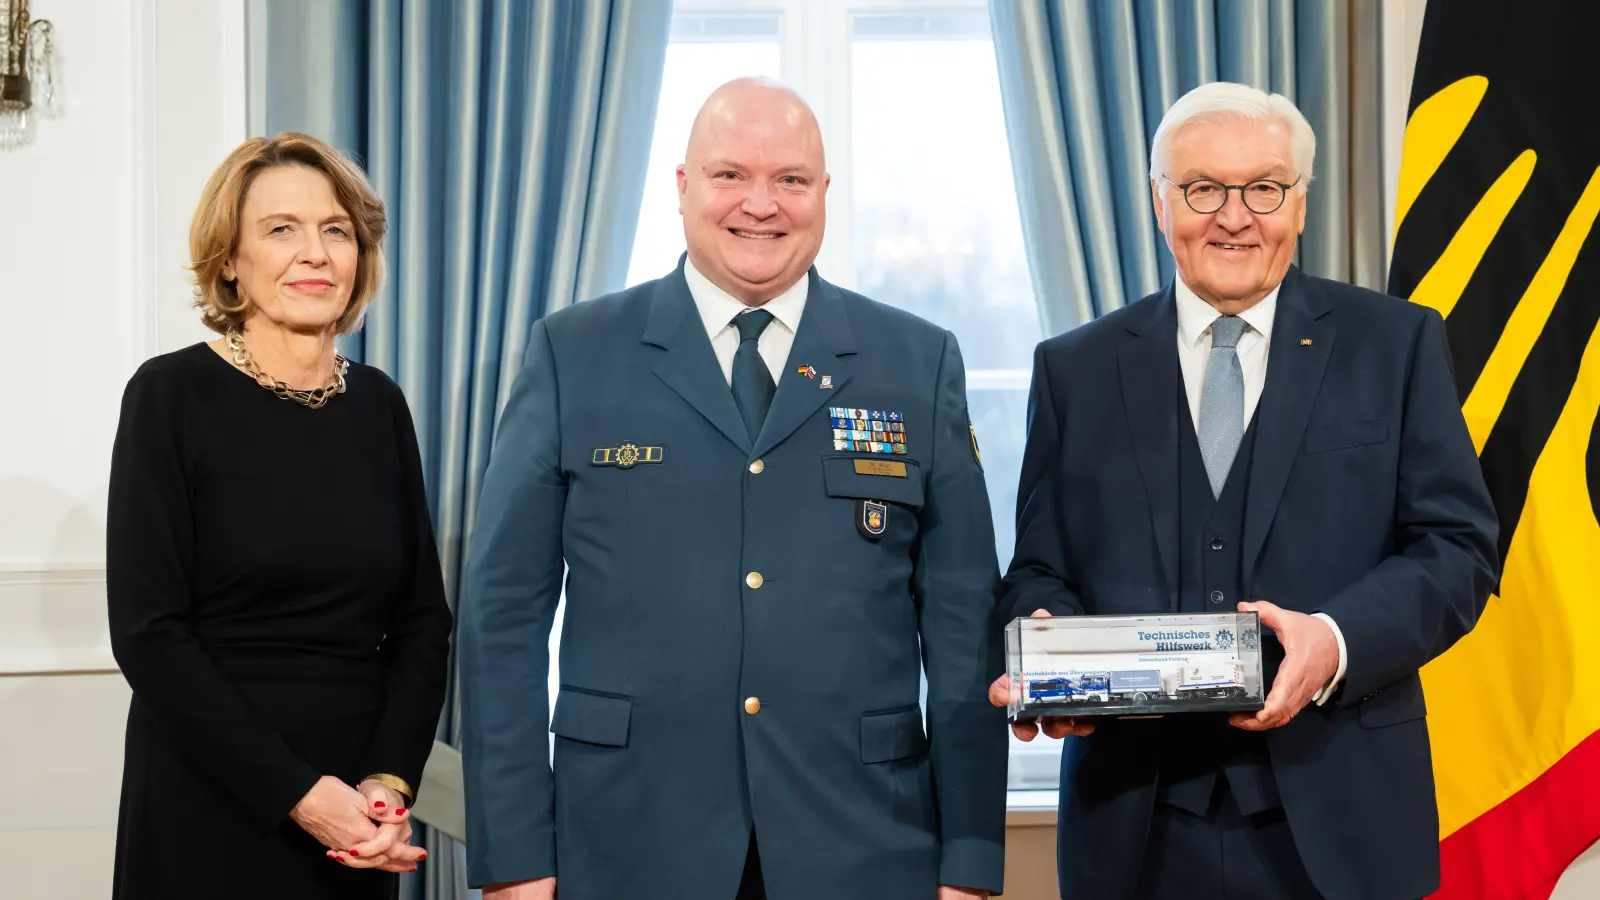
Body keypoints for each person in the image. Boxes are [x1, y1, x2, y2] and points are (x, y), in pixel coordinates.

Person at [457, 77, 1008, 900]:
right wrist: (514, 858)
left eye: (790, 179)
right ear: (682, 187)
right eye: (730, 176)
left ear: (824, 194)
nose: (762, 204)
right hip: (623, 842)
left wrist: (970, 859)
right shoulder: (575, 353)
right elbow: (502, 615)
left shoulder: (915, 363)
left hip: (864, 845)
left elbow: (964, 630)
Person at [988, 81, 1499, 900]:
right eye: (1202, 189)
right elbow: (1040, 569)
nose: (1234, 216)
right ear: (1161, 203)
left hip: (1345, 824)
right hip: (1133, 831)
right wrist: (1055, 656)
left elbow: (1459, 549)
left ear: (1299, 206)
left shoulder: (1396, 344)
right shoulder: (1073, 370)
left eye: (1263, 188)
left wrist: (1334, 640)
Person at [106, 132, 453, 898]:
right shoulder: (169, 397)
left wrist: (385, 784)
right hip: (210, 797)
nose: (316, 253)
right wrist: (299, 794)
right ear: (229, 259)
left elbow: (423, 620)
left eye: (337, 230)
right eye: (281, 229)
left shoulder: (381, 406)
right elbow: (148, 634)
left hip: (357, 821)